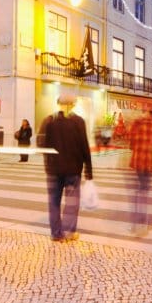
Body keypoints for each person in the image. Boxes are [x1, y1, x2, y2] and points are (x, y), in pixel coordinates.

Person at [37, 94, 93, 242]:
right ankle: (68, 233)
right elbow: (84, 146)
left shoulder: (48, 120)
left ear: (58, 104)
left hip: (53, 170)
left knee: (54, 202)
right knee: (72, 202)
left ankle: (56, 234)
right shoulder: (78, 121)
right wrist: (89, 170)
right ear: (73, 104)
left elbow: (40, 143)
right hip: (73, 169)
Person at [128, 109, 152, 235]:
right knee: (146, 190)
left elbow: (130, 143)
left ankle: (138, 221)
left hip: (137, 161)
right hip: (148, 161)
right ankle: (145, 221)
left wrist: (136, 147)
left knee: (140, 189)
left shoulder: (135, 125)